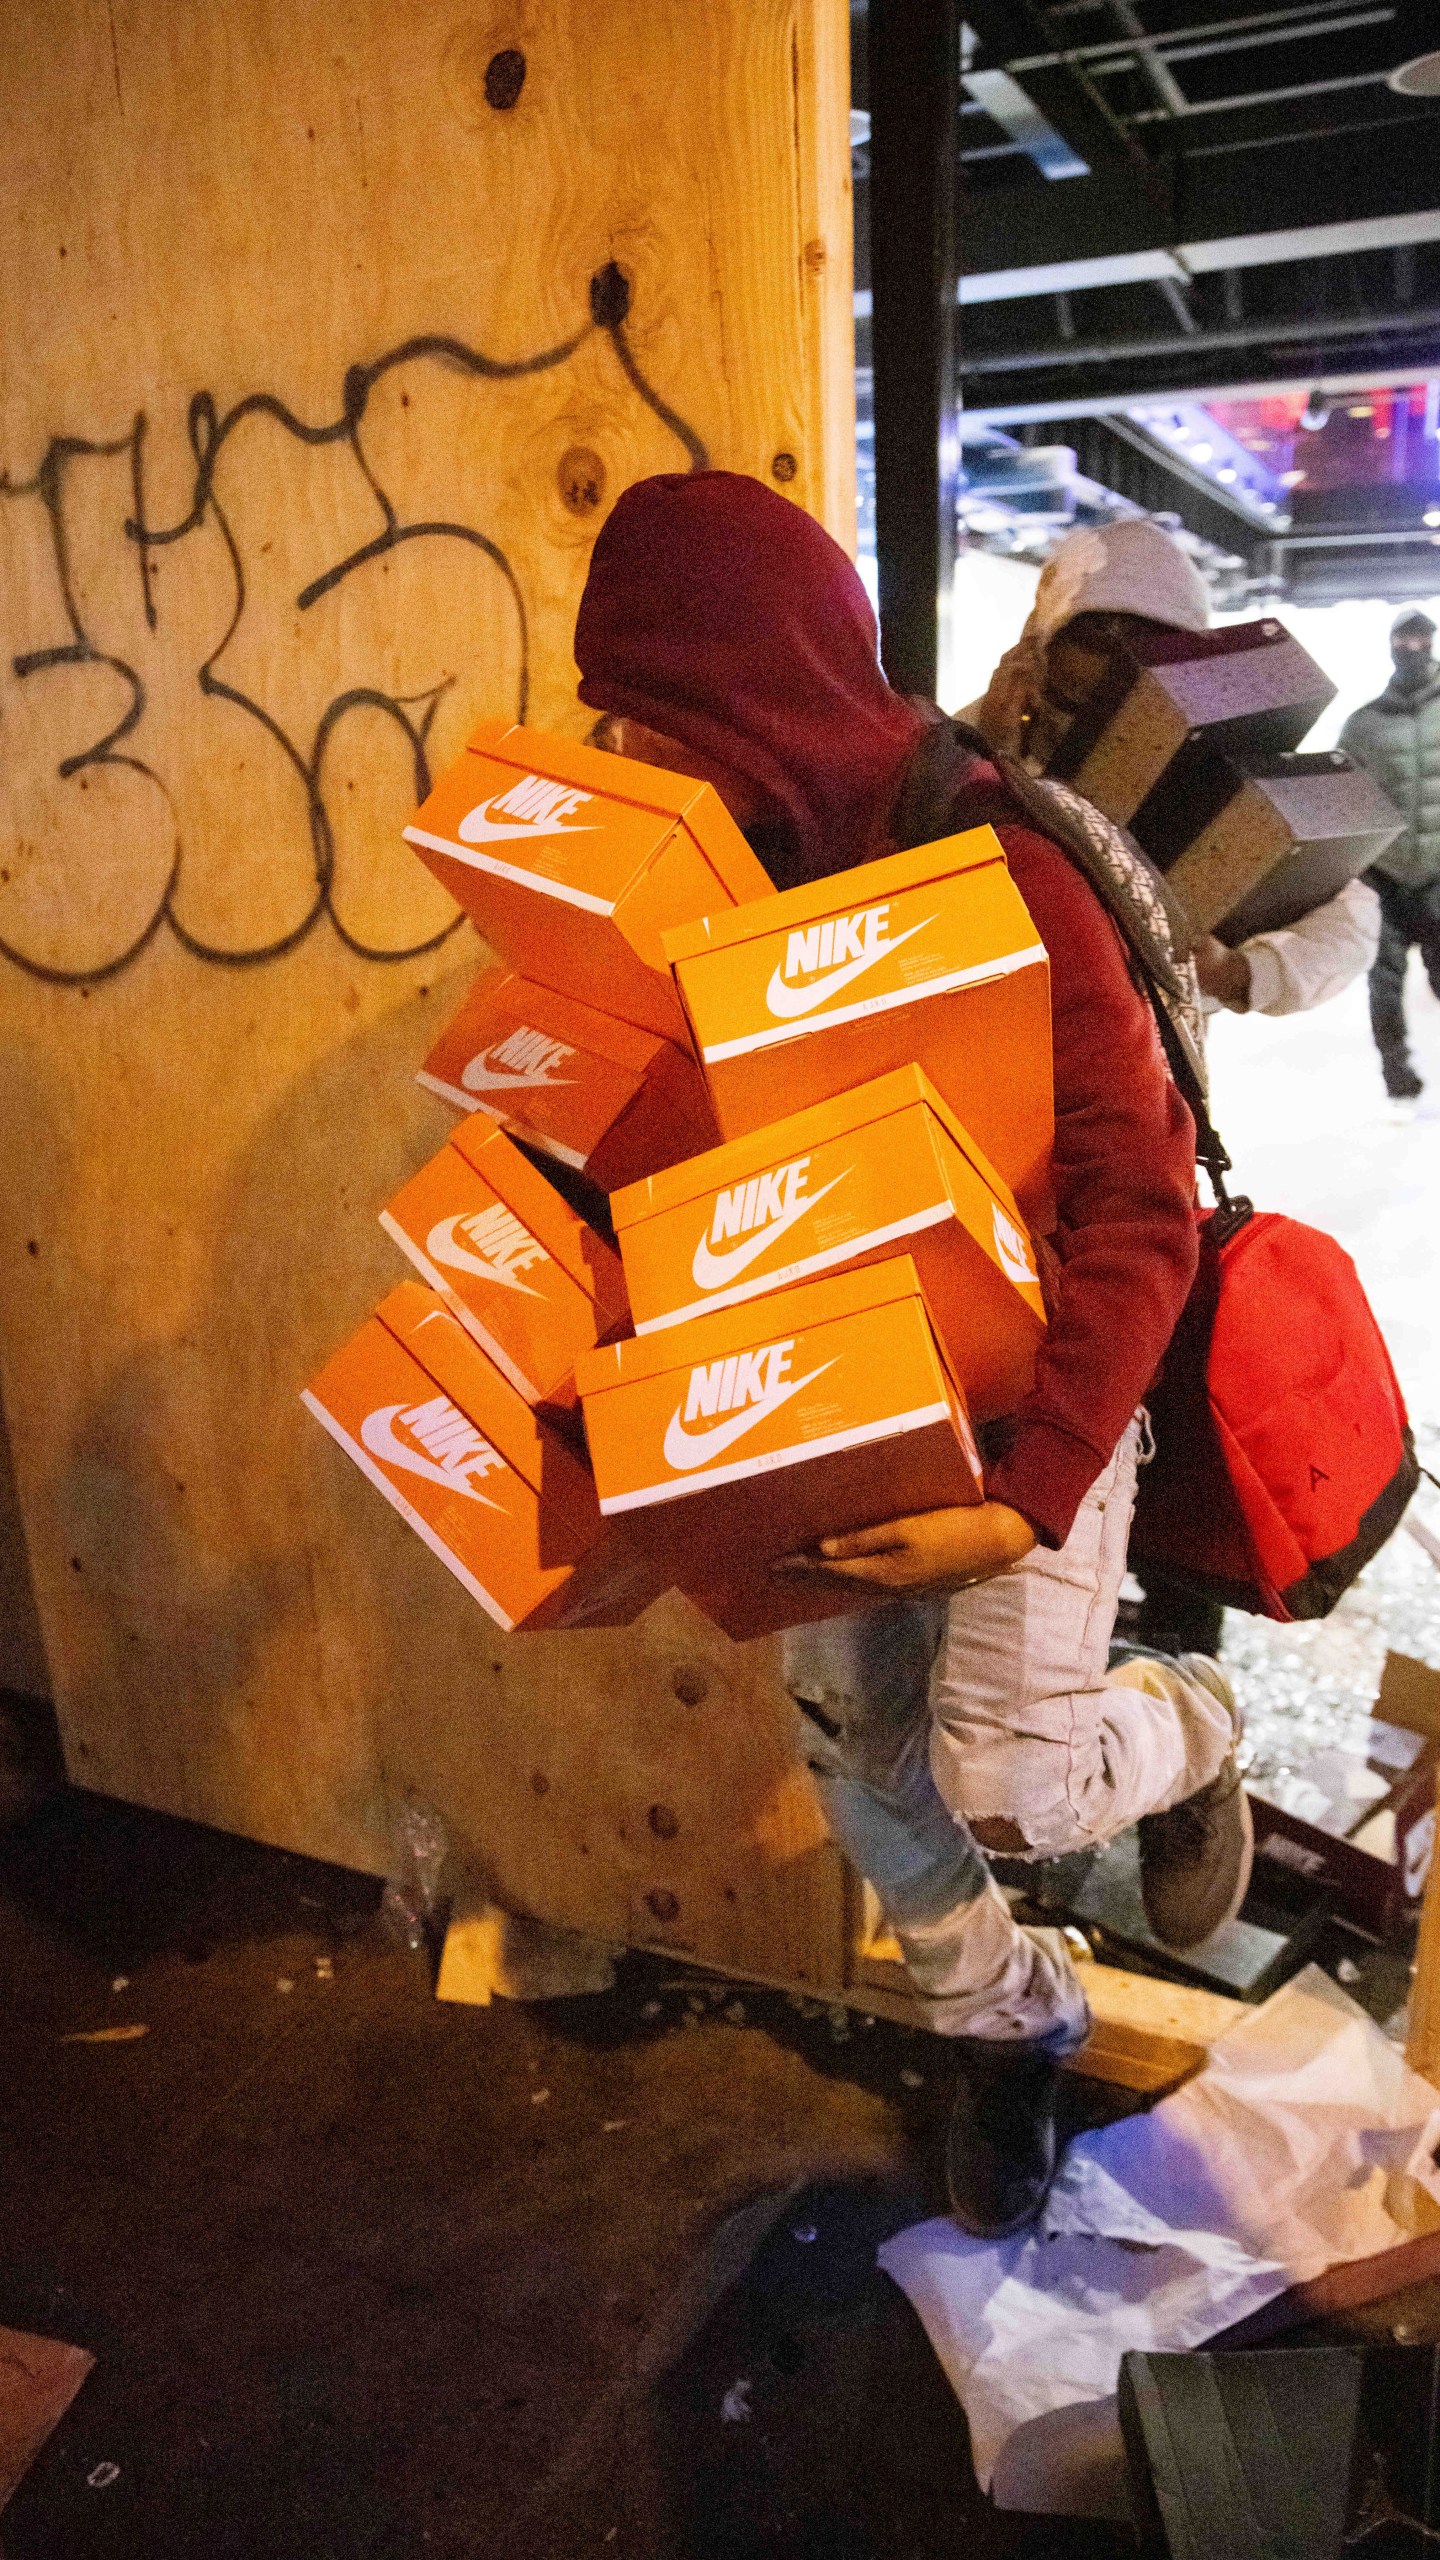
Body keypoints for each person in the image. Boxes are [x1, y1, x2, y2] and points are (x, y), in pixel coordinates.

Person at [574, 471, 1248, 2240]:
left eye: (650, 711)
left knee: (1005, 1780)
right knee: (860, 1772)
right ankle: (1012, 2026)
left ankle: (1199, 1718)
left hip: (1046, 1384)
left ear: (752, 688)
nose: (620, 750)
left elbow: (1139, 1208)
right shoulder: (720, 875)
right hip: (858, 1368)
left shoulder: (996, 851)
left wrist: (1028, 1506)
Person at [972, 519, 1381, 1023]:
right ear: (1042, 642)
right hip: (1004, 1022)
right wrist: (988, 767)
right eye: (1099, 634)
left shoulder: (1212, 756)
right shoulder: (972, 740)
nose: (1123, 658)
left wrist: (1236, 973)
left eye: (1153, 638)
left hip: (1157, 1052)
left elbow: (1351, 917)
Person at [1339, 609, 1440, 1102]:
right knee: (1383, 985)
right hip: (1384, 875)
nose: (1413, 647)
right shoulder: (1364, 724)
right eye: (1404, 638)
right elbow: (1340, 800)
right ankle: (1397, 1078)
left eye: (1421, 637)